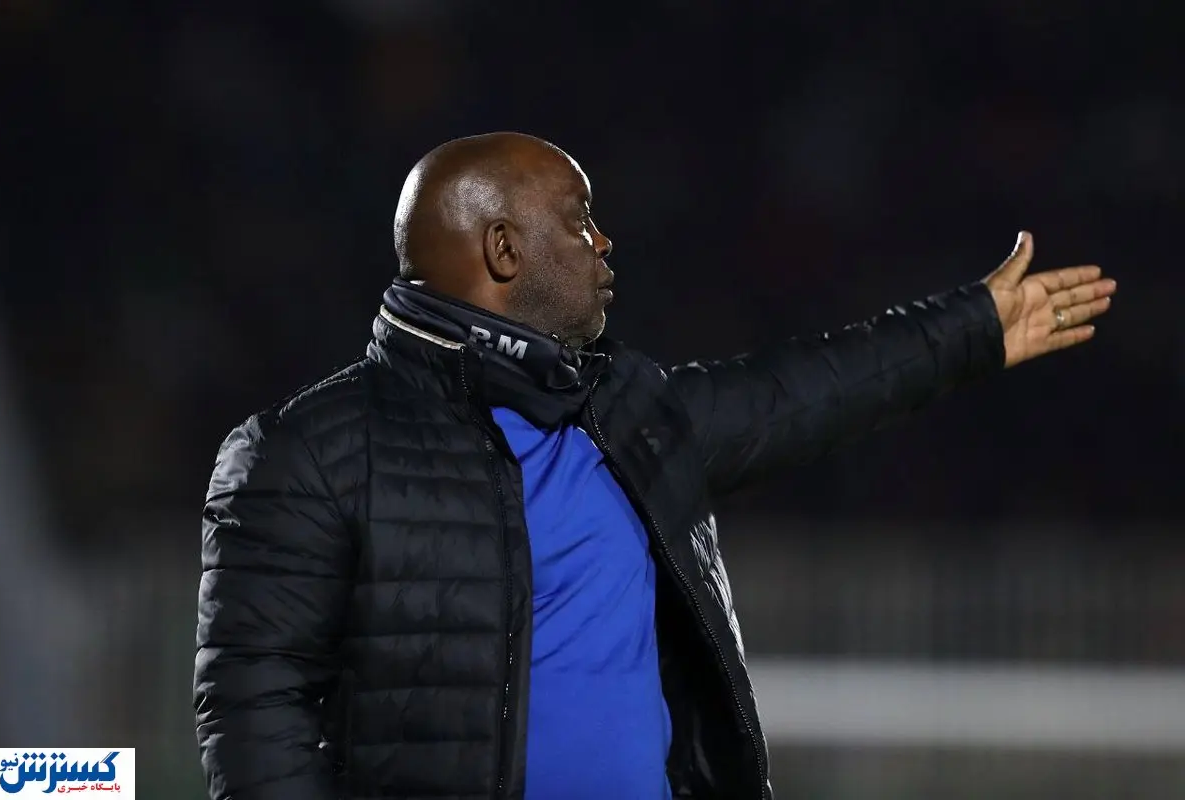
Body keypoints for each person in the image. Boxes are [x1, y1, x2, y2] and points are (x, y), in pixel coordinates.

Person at [193, 132, 1115, 800]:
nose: (603, 242)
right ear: (504, 249)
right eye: (579, 220)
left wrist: (972, 330)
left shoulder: (625, 414)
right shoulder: (307, 452)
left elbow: (805, 392)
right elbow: (254, 710)